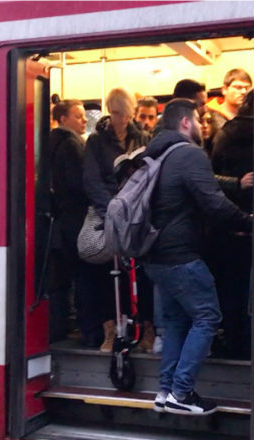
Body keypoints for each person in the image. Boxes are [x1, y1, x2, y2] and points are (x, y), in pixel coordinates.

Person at [142, 99, 252, 415]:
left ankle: (165, 391)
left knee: (176, 322)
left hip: (155, 256)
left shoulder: (156, 153)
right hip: (181, 255)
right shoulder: (189, 154)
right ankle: (182, 392)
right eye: (200, 120)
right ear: (186, 123)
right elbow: (213, 204)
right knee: (207, 317)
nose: (204, 126)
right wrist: (249, 222)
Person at [82, 87, 152, 352]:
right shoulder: (96, 141)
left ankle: (145, 328)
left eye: (123, 114)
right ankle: (110, 329)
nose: (118, 119)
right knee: (104, 271)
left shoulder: (143, 137)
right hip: (108, 209)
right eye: (114, 113)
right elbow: (91, 180)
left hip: (136, 212)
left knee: (141, 272)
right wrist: (111, 208)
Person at [45, 99, 100, 346]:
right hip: (76, 220)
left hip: (59, 221)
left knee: (61, 277)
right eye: (78, 116)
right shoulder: (71, 145)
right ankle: (88, 329)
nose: (84, 120)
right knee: (84, 276)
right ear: (63, 119)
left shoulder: (48, 143)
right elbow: (79, 183)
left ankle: (61, 325)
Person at [210, 89, 254, 359]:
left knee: (231, 289)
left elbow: (212, 176)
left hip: (228, 221)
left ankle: (235, 339)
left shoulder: (226, 133)